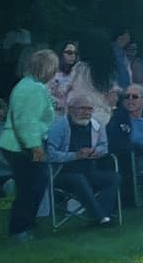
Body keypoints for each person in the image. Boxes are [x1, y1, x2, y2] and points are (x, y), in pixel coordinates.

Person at [0, 47, 60, 241]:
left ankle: (25, 227)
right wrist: (35, 147)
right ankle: (20, 230)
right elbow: (27, 121)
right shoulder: (34, 88)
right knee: (32, 188)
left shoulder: (26, 85)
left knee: (31, 187)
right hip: (24, 145)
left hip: (17, 143)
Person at [43, 94, 119, 226]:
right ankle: (99, 217)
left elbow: (104, 147)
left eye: (89, 109)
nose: (86, 112)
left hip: (89, 170)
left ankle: (104, 214)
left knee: (114, 177)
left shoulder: (96, 125)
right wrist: (75, 155)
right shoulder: (59, 126)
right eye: (82, 108)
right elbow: (49, 154)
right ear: (71, 109)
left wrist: (96, 152)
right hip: (62, 173)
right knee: (79, 179)